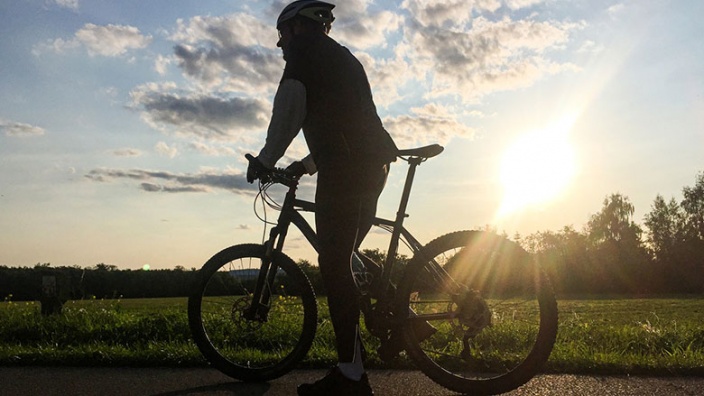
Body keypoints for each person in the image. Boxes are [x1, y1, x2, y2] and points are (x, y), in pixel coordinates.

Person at [246, 1, 397, 395]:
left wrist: (265, 160)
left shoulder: (304, 54)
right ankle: (401, 321)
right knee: (346, 257)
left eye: (281, 34)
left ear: (295, 28)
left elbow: (288, 112)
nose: (280, 44)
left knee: (333, 264)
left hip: (348, 170)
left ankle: (351, 377)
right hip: (369, 164)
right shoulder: (341, 57)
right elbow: (346, 123)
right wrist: (306, 164)